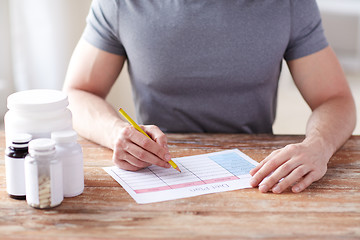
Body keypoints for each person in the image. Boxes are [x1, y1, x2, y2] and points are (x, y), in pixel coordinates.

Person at [63, 0, 356, 194]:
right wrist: (117, 133)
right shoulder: (119, 4)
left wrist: (318, 146)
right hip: (157, 172)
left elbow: (334, 98)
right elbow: (78, 92)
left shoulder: (289, 4)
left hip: (256, 178)